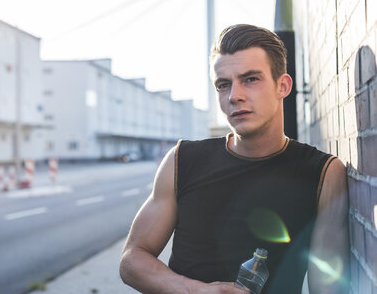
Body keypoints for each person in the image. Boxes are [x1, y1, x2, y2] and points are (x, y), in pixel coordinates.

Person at [120, 24, 349, 294]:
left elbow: (328, 286)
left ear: (282, 86)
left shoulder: (323, 173)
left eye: (250, 79)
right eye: (223, 84)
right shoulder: (183, 160)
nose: (234, 96)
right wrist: (196, 291)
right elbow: (132, 259)